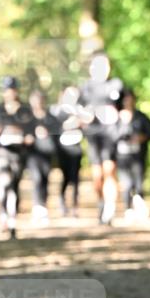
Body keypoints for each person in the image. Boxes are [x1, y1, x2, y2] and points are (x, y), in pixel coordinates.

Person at [78, 52, 123, 224]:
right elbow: (78, 109)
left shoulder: (116, 84)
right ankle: (101, 203)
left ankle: (110, 208)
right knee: (97, 175)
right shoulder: (86, 87)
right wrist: (84, 117)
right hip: (93, 135)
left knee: (109, 170)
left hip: (111, 134)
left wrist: (120, 115)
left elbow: (125, 106)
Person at [0, 77, 34, 239]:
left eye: (12, 89)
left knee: (14, 186)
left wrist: (27, 138)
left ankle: (12, 219)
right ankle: (3, 216)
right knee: (3, 184)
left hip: (18, 153)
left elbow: (32, 130)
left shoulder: (25, 109)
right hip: (1, 151)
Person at [114, 88, 150, 220]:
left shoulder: (141, 116)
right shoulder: (116, 118)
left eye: (130, 98)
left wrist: (141, 137)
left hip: (138, 155)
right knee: (126, 183)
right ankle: (128, 209)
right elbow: (110, 135)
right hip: (122, 155)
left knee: (138, 182)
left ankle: (139, 206)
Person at [50, 85, 84, 216]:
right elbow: (54, 126)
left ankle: (75, 205)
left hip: (76, 146)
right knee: (65, 176)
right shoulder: (58, 110)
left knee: (75, 177)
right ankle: (62, 202)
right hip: (63, 148)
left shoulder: (79, 110)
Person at [27, 89, 59, 224]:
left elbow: (57, 133)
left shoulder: (50, 117)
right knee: (36, 178)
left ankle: (43, 207)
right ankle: (37, 207)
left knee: (45, 179)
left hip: (47, 152)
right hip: (33, 153)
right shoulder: (28, 117)